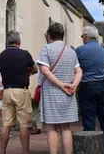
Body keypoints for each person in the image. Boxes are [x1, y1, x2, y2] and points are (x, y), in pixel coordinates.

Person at [37, 22, 82, 154]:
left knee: (51, 128)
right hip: (68, 93)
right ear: (62, 36)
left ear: (49, 35)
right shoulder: (71, 51)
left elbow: (45, 70)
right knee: (66, 127)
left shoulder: (46, 49)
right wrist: (74, 85)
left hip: (51, 92)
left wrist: (61, 85)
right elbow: (79, 71)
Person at [76, 26, 104, 154]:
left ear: (86, 36)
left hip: (87, 86)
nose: (82, 39)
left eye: (82, 37)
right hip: (102, 86)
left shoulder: (80, 50)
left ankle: (91, 150)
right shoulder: (103, 51)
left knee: (89, 121)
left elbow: (76, 69)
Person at [0, 30, 38, 154]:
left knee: (6, 123)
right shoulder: (25, 54)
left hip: (7, 91)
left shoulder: (2, 55)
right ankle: (25, 152)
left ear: (7, 42)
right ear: (19, 42)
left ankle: (3, 151)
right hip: (21, 90)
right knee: (24, 124)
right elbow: (34, 69)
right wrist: (27, 72)